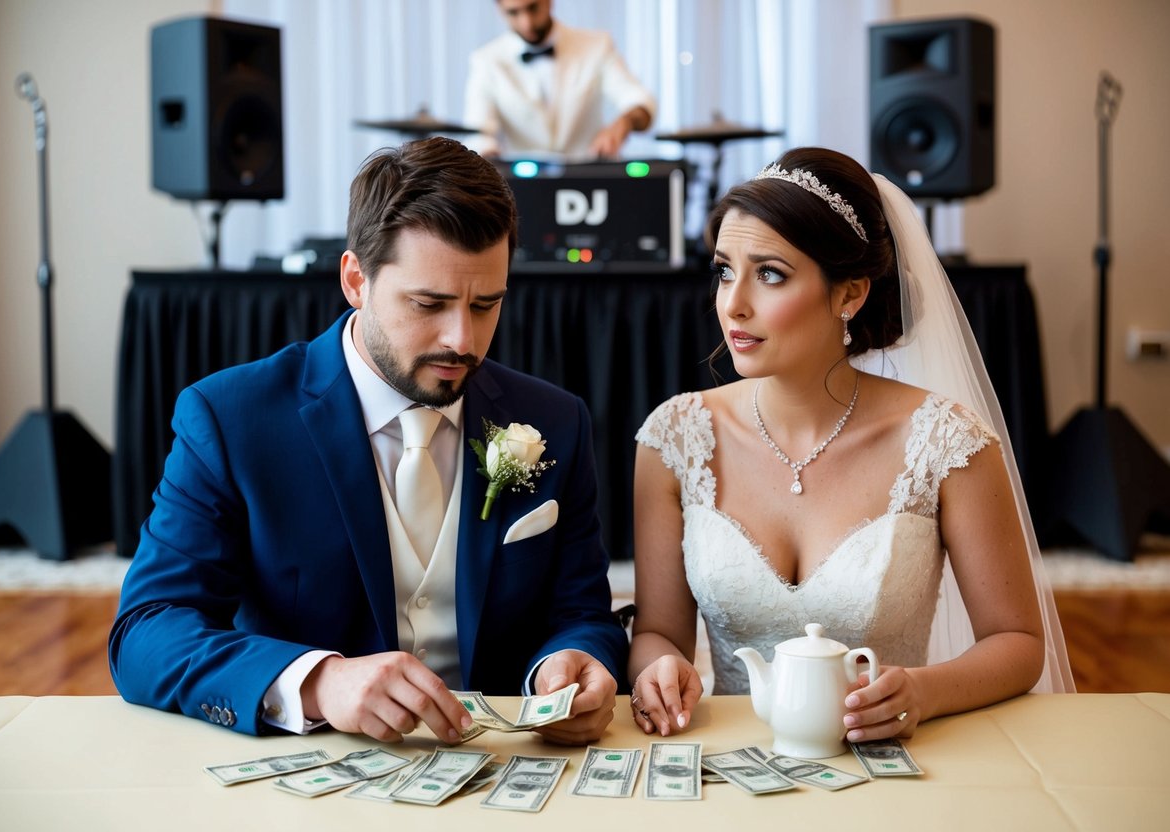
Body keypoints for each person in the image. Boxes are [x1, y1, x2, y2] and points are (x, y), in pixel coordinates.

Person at [109, 137, 626, 745]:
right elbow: (147, 630)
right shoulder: (230, 419)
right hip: (317, 770)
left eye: (486, 305)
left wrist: (572, 661)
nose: (462, 338)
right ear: (356, 279)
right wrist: (316, 682)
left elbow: (584, 614)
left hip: (511, 769)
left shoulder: (556, 420)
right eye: (428, 303)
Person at [627, 147, 1074, 741]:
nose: (732, 303)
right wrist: (657, 667)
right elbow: (658, 631)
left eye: (770, 273)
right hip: (733, 764)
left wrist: (924, 691)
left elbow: (1017, 643)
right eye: (724, 270)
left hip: (894, 758)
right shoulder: (673, 438)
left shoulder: (948, 442)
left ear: (850, 295)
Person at [464, 0, 655, 160]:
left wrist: (624, 122)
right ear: (500, 10)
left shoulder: (596, 45)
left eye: (533, 8)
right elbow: (479, 132)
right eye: (513, 13)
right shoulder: (485, 61)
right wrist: (489, 157)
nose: (526, 23)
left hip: (590, 180)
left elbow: (639, 100)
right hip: (520, 190)